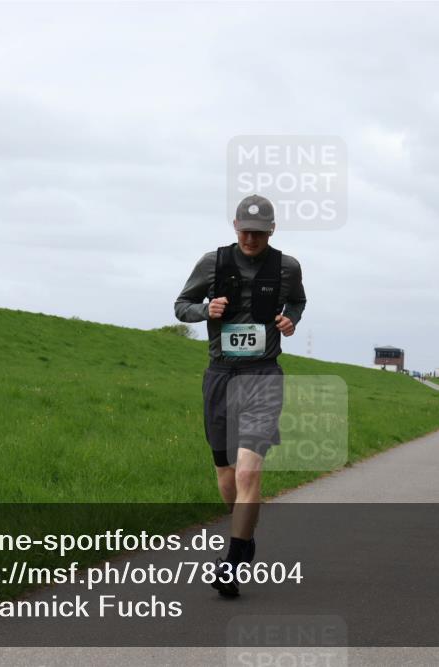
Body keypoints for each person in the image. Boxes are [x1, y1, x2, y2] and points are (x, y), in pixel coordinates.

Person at [174, 194, 307, 597]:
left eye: (260, 232)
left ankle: (231, 562)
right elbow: (181, 306)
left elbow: (298, 300)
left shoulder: (287, 267)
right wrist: (205, 310)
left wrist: (291, 319)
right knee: (226, 475)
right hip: (220, 375)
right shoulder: (211, 263)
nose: (251, 238)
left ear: (272, 230)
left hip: (263, 374)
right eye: (246, 231)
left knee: (249, 471)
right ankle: (244, 539)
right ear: (234, 226)